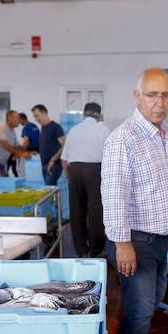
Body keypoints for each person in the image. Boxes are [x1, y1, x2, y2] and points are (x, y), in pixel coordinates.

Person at [102, 69, 168, 334]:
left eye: (165, 95)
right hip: (135, 241)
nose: (159, 102)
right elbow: (113, 196)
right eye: (152, 95)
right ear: (138, 96)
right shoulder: (123, 139)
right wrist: (122, 244)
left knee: (148, 306)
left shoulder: (163, 135)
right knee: (140, 312)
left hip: (158, 240)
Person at [61, 102, 110, 258]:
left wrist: (70, 176)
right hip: (95, 171)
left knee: (77, 211)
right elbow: (110, 157)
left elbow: (64, 159)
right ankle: (96, 249)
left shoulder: (73, 131)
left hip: (74, 170)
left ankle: (81, 249)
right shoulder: (103, 130)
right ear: (99, 114)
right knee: (96, 211)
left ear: (84, 114)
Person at [32, 105, 66, 186]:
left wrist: (53, 160)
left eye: (37, 116)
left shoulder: (55, 127)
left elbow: (64, 145)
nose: (36, 119)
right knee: (49, 192)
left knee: (49, 192)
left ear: (44, 113)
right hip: (45, 165)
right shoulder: (43, 128)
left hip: (53, 165)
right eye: (34, 117)